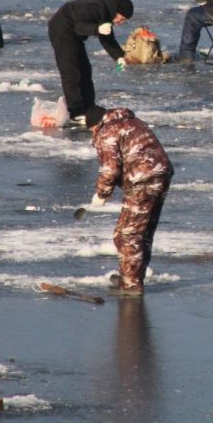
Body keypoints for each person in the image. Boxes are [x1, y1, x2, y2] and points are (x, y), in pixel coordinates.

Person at [84, 105, 174, 296]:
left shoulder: (107, 131)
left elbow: (110, 169)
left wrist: (101, 194)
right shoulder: (132, 121)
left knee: (126, 235)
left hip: (142, 179)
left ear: (94, 125)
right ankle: (131, 277)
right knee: (144, 231)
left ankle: (131, 285)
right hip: (161, 175)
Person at [47, 0, 134, 124]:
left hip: (75, 36)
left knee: (85, 70)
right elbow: (78, 26)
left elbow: (107, 37)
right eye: (121, 19)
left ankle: (89, 109)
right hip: (62, 30)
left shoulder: (107, 13)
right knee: (72, 72)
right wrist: (97, 28)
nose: (121, 23)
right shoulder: (94, 7)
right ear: (116, 11)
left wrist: (119, 56)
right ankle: (76, 112)